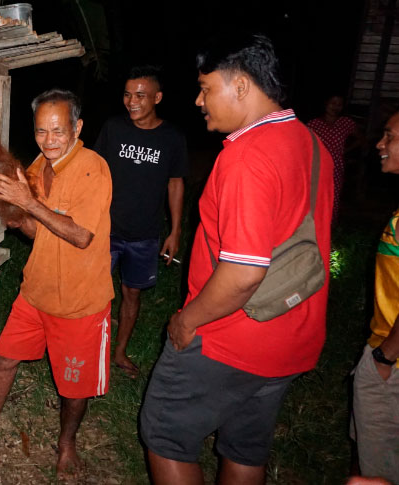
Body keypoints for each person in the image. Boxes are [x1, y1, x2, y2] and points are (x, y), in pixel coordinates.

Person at [140, 33, 334, 485]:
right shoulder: (312, 147)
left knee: (165, 436)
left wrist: (187, 322)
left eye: (206, 88)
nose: (198, 100)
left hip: (230, 338)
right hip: (291, 337)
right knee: (245, 449)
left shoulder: (248, 156)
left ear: (241, 86)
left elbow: (245, 271)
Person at [0, 89, 114, 476]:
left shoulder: (92, 169)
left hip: (80, 301)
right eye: (42, 131)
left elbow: (81, 237)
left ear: (77, 127)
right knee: (4, 358)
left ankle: (66, 445)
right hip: (36, 291)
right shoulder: (36, 168)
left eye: (59, 131)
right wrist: (12, 211)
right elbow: (36, 230)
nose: (50, 140)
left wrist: (28, 203)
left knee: (73, 389)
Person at [94, 65, 188, 378]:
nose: (131, 101)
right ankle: (91, 347)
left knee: (131, 294)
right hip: (105, 229)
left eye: (140, 95)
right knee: (95, 291)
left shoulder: (172, 138)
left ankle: (119, 352)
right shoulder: (113, 128)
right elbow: (94, 172)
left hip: (144, 235)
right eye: (127, 94)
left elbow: (176, 183)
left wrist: (174, 231)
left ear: (157, 98)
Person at [350, 110, 399, 483]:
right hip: (384, 355)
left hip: (392, 366)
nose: (380, 144)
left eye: (390, 136)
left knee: (375, 473)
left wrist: (384, 356)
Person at [307, 94, 360, 218]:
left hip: (336, 166)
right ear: (326, 104)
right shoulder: (314, 124)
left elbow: (360, 139)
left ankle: (330, 227)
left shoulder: (346, 123)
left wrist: (344, 151)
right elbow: (304, 143)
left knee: (332, 197)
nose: (335, 107)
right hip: (316, 166)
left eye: (339, 104)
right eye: (333, 103)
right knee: (313, 196)